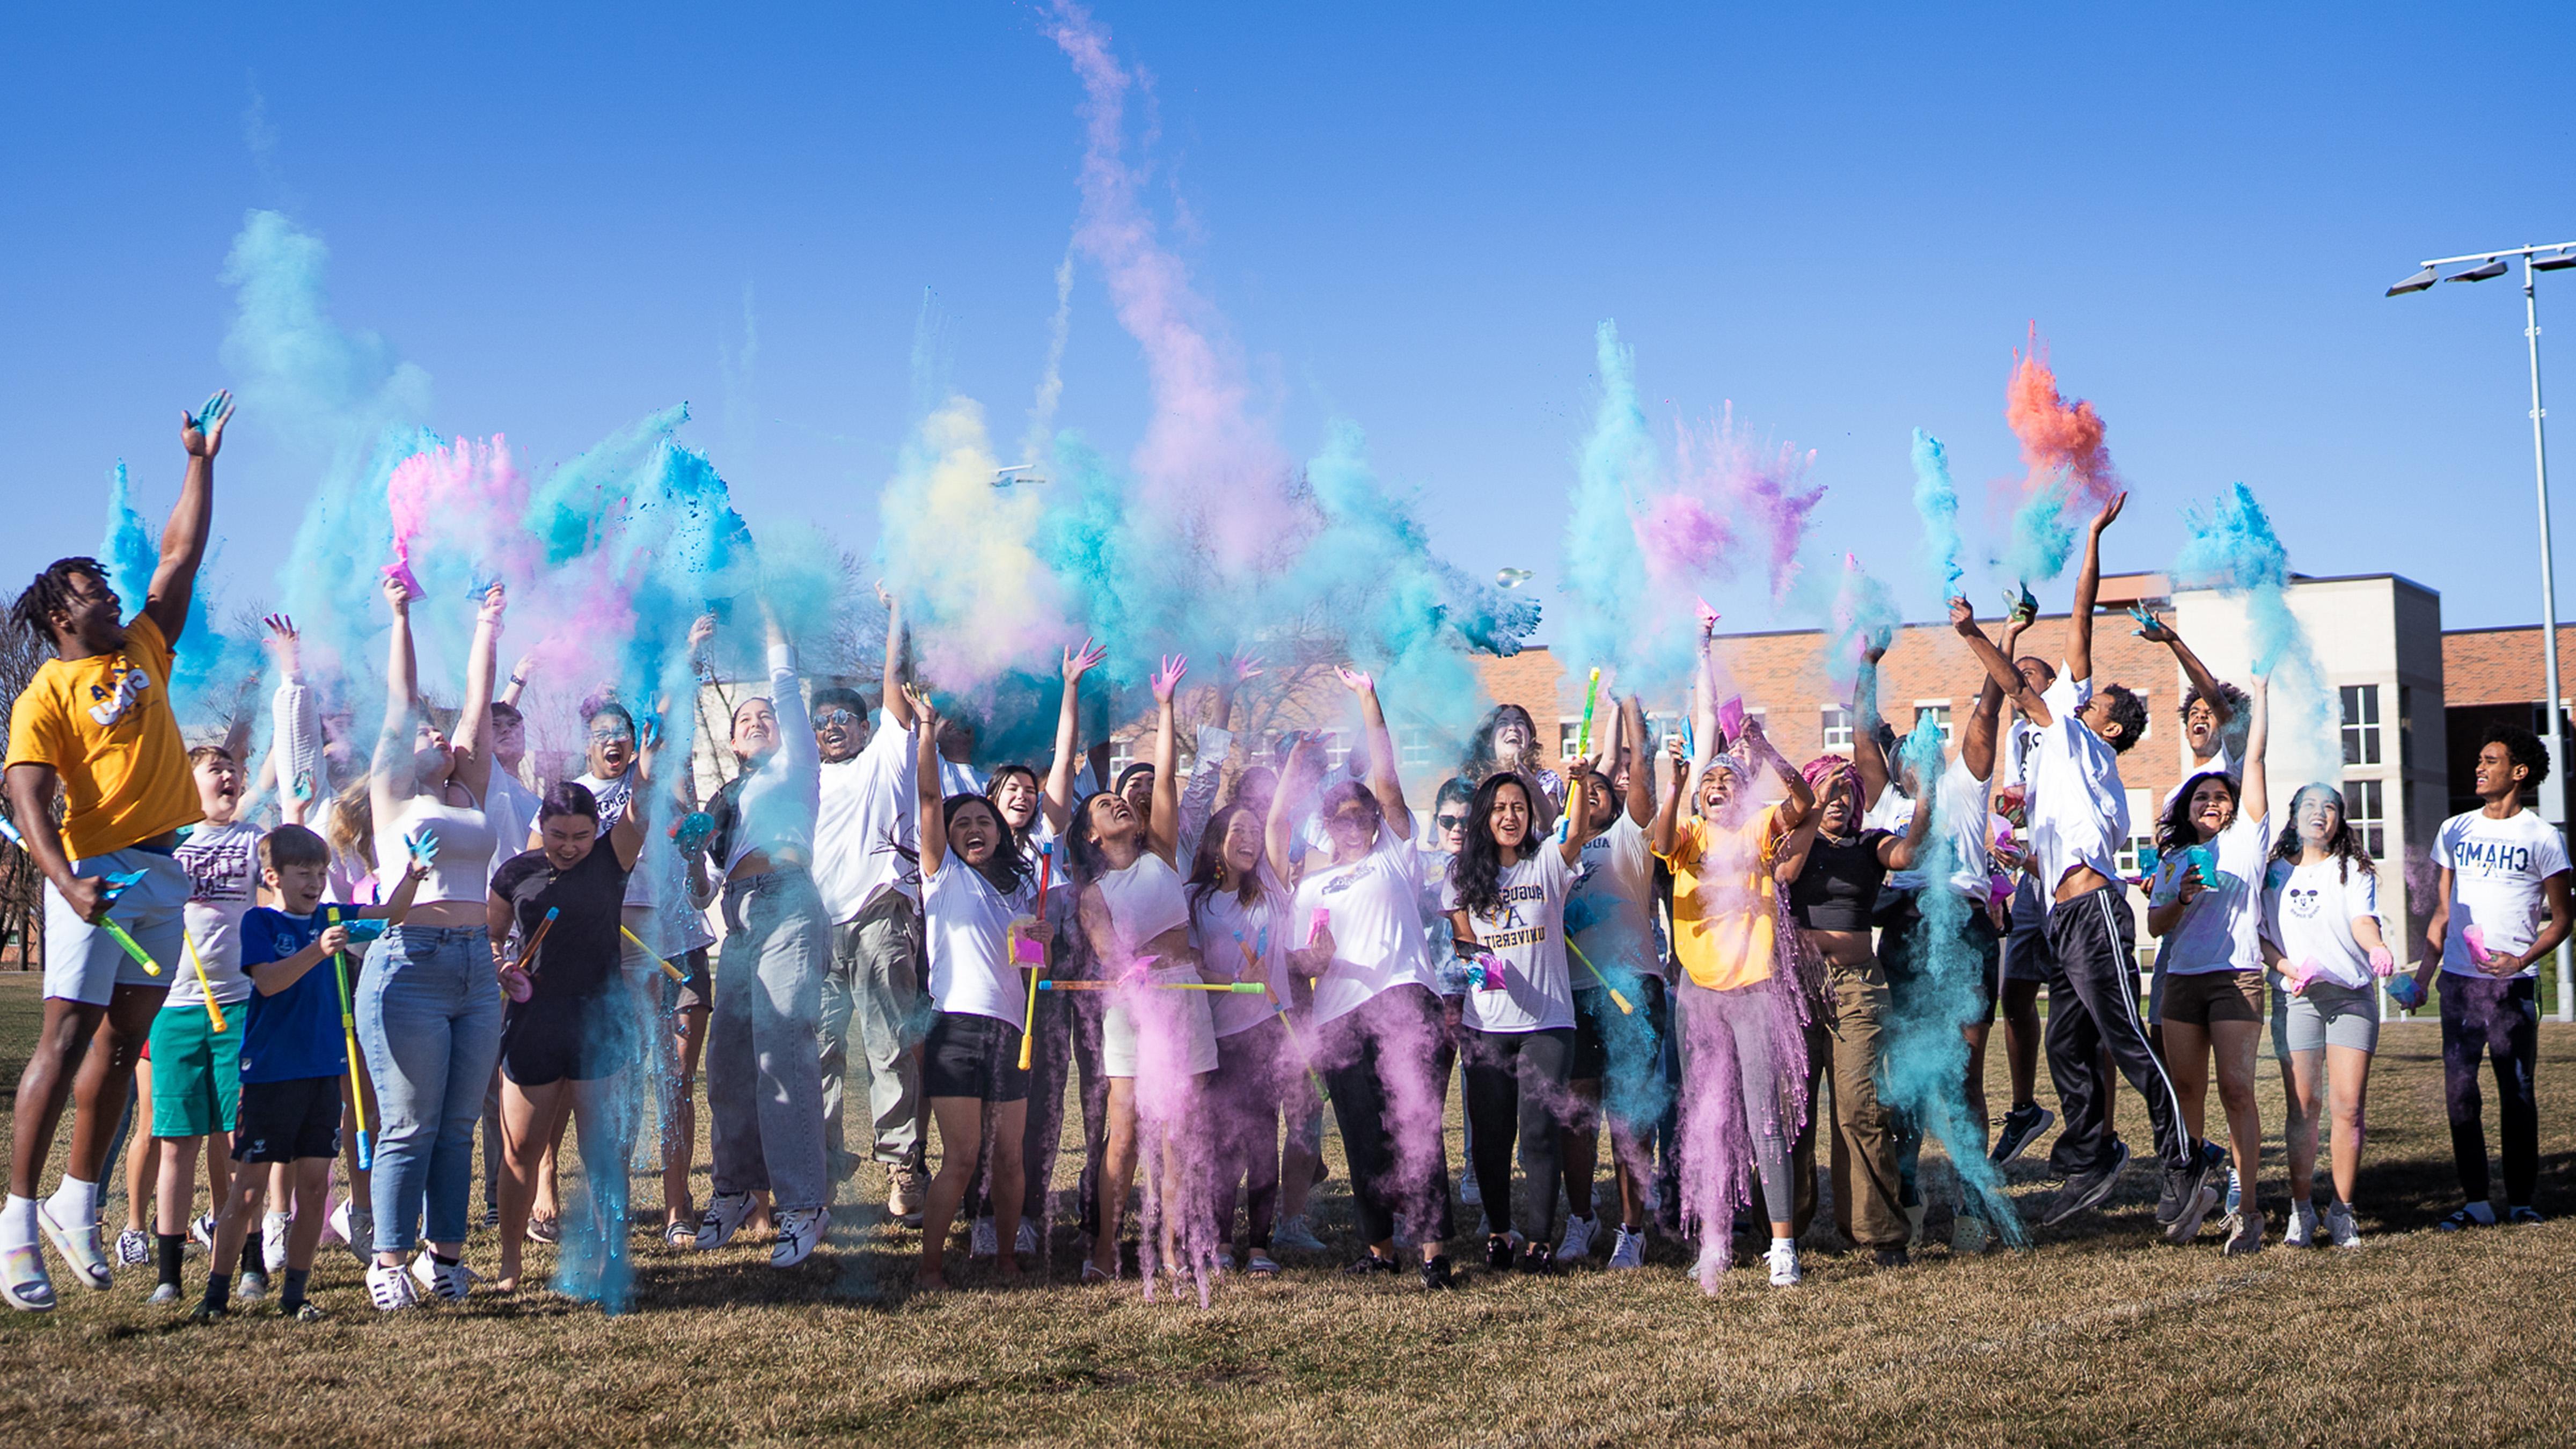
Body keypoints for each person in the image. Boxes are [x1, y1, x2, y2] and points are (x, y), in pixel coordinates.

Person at [3, 390, 232, 1312]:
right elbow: (26, 800)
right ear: (59, 614)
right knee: (60, 1039)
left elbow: (180, 554)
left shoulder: (143, 646)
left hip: (165, 871)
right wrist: (67, 882)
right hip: (94, 875)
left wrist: (199, 460)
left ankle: (75, 1202)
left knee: (124, 1036)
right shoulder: (45, 695)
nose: (108, 589)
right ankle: (16, 1227)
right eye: (89, 586)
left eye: (104, 582)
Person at [1948, 493, 2223, 1243]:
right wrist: (2093, 536)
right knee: (2067, 1043)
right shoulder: (2065, 756)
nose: (2079, 690)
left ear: (2110, 723)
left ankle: (2189, 1161)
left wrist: (1976, 632)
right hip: (2062, 913)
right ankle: (2090, 1154)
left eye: (2091, 694)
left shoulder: (2079, 741)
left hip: (2094, 911)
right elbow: (2079, 612)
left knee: (2128, 1039)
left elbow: (2034, 669)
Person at [1270, 668, 1456, 1290]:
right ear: (1327, 825)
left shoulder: (1396, 857)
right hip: (1339, 1017)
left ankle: (1434, 1253)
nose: (1351, 821)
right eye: (1339, 816)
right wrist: (1308, 963)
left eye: (1361, 813)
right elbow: (1296, 959)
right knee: (1361, 1136)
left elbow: (1389, 778)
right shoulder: (1313, 885)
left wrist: (1368, 700)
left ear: (1376, 820)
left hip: (1402, 998)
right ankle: (1380, 1248)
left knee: (1416, 1126)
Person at [196, 824, 426, 1320]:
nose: (316, 882)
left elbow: (391, 915)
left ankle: (295, 1296)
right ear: (274, 877)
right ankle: (215, 1294)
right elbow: (272, 983)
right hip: (271, 1077)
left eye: (322, 873)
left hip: (323, 1072)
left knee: (317, 1187)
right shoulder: (259, 923)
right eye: (304, 873)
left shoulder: (332, 917)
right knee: (250, 1190)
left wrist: (412, 876)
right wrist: (317, 951)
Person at [358, 575, 507, 1309]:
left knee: (454, 1123)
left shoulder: (470, 791)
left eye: (440, 733)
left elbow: (477, 707)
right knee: (410, 1122)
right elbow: (402, 698)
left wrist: (488, 622)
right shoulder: (393, 791)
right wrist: (402, 613)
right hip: (408, 966)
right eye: (427, 731)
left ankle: (442, 1258)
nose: (438, 734)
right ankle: (387, 1260)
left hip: (476, 968)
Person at [1650, 702, 1814, 1291]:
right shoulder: (1690, 834)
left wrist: (1765, 751)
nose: (1718, 787)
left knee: (1763, 1119)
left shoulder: (1756, 826)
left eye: (1729, 780)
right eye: (1709, 782)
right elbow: (1659, 839)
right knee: (1707, 1119)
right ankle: (1714, 1243)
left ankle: (1782, 1246)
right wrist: (1675, 784)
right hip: (1698, 994)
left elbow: (1805, 805)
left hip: (1753, 990)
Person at [692, 605, 832, 1269]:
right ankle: (734, 1190)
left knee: (783, 1052)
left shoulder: (797, 764)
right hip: (740, 913)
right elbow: (697, 891)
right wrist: (692, 849)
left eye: (765, 717)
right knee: (727, 1062)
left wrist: (775, 616)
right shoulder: (729, 800)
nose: (757, 722)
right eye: (744, 722)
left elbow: (783, 683)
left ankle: (804, 1205)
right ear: (734, 743)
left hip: (788, 903)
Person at [1072, 654, 1216, 1287]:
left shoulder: (1161, 854)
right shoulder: (1094, 893)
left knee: (1180, 1131)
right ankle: (1104, 1248)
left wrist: (1164, 708)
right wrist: (1129, 970)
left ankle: (1175, 1249)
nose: (1119, 805)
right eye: (1106, 804)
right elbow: (1110, 955)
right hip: (1134, 1008)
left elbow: (1165, 786)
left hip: (1186, 996)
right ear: (1093, 836)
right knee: (1126, 1132)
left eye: (1120, 801)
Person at [487, 776, 652, 1295]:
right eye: (559, 834)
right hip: (534, 1024)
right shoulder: (515, 872)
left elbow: (641, 804)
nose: (570, 846)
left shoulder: (610, 860)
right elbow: (491, 936)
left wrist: (651, 750)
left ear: (597, 830)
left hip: (599, 1024)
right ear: (541, 826)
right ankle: (510, 1264)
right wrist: (499, 965)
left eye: (581, 835)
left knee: (603, 1151)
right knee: (520, 1152)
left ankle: (608, 1262)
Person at [1776, 734, 1932, 1268]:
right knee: (1792, 1110)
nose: (1841, 800)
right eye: (1830, 789)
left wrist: (1926, 797)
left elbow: (1908, 851)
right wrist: (1812, 808)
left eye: (1848, 791)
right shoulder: (1793, 844)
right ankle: (1782, 1228)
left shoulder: (1870, 846)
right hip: (1795, 988)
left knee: (1858, 1107)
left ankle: (1879, 1233)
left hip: (1856, 988)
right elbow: (1782, 875)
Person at [908, 687, 1045, 1289]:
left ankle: (1007, 1256)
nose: (971, 828)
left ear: (999, 831)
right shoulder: (941, 878)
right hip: (956, 1029)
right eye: (961, 823)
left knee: (1012, 1158)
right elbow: (931, 795)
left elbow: (1027, 968)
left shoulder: (1021, 889)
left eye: (981, 821)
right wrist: (928, 733)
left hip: (1011, 1031)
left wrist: (1036, 941)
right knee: (962, 1158)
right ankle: (931, 1266)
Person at [1447, 757, 1600, 1274]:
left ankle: (1538, 1239)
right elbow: (1464, 940)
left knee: (1538, 1132)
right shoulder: (1463, 876)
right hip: (1486, 1025)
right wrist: (1474, 963)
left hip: (1548, 1025)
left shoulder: (1546, 864)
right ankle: (1498, 1232)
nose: (1509, 817)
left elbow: (1576, 830)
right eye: (1499, 809)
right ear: (1484, 818)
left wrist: (1578, 781)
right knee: (1491, 1135)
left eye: (1518, 808)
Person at [2414, 723, 2571, 1231]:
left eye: (2490, 761)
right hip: (2458, 987)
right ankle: (2476, 1201)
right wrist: (2422, 977)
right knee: (2461, 1093)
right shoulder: (2455, 830)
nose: (2479, 768)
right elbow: (2441, 914)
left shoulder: (2543, 838)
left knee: (2518, 1091)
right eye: (2478, 761)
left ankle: (2523, 1200)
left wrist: (2520, 962)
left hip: (2512, 988)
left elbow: (2564, 919)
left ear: (2518, 772)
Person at [570, 699, 714, 1249]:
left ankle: (679, 1207)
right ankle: (618, 1205)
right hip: (617, 952)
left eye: (621, 733)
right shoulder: (577, 799)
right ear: (588, 745)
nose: (612, 741)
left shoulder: (663, 790)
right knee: (620, 1084)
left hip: (679, 946)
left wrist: (697, 858)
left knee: (674, 1081)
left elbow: (701, 889)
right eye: (601, 733)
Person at [1875, 670, 2008, 1253]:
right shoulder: (1884, 802)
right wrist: (1866, 662)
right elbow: (1863, 730)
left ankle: (1972, 1205)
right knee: (1904, 1077)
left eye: (1929, 749)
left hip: (1965, 931)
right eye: (1909, 752)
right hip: (1905, 931)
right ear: (1897, 765)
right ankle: (1907, 1202)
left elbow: (1986, 714)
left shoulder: (1963, 785)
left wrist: (1994, 638)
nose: (1919, 759)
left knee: (1965, 1076)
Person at [810, 592, 932, 1219]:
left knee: (886, 1047)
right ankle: (825, 1173)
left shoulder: (885, 759)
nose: (832, 727)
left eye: (843, 718)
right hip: (816, 934)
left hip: (879, 918)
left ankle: (903, 1166)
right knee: (821, 1053)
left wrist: (897, 613)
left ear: (864, 727)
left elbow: (893, 680)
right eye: (822, 721)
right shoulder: (804, 780)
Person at [2142, 679, 2271, 1254]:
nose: (2212, 803)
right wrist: (2183, 896)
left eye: (2220, 796)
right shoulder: (2174, 859)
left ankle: (2248, 1209)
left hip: (2235, 977)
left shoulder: (2249, 837)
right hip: (2181, 982)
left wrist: (2260, 695)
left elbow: (2256, 754)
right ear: (2188, 811)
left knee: (2237, 1090)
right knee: (2186, 1090)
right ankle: (2195, 1194)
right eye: (2201, 799)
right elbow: (2156, 927)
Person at [145, 743, 265, 1305]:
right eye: (213, 769)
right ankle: (169, 1274)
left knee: (237, 1143)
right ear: (184, 782)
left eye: (232, 770)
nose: (227, 777)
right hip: (174, 1010)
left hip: (239, 1006)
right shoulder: (166, 845)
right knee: (177, 1143)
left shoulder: (253, 840)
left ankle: (249, 1260)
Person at [2260, 783, 2396, 1248]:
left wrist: (2376, 948)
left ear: (2340, 820)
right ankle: (2302, 1211)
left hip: (2350, 999)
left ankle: (2342, 1211)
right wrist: (2286, 968)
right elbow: (2261, 938)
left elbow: (2363, 920)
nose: (2321, 814)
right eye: (2311, 806)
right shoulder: (2273, 872)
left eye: (2331, 808)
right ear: (2294, 816)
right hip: (2297, 999)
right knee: (2303, 1107)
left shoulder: (2353, 870)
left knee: (2348, 1107)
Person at [1558, 700, 1665, 1270]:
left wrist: (1628, 709)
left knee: (1630, 1114)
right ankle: (1581, 1219)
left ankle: (1632, 1229)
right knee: (1578, 1116)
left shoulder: (1630, 834)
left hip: (1632, 990)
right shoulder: (1556, 846)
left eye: (1602, 787)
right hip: (1572, 995)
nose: (1593, 792)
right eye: (1584, 787)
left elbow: (1640, 771)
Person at [1188, 801, 1307, 1275]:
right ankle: (1220, 1241)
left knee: (1262, 1137)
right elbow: (1192, 966)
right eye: (1240, 830)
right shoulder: (1196, 898)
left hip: (1268, 1032)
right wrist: (1237, 979)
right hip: (1219, 1035)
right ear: (1218, 840)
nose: (1251, 839)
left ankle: (1259, 1247)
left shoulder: (1272, 891)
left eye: (1255, 832)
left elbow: (1281, 819)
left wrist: (1295, 761)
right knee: (1222, 1144)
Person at [2128, 607, 2245, 805]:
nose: (2200, 717)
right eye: (2194, 713)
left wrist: (2172, 640)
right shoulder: (2174, 798)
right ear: (2186, 731)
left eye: (2209, 713)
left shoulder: (2233, 760)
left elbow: (2215, 698)